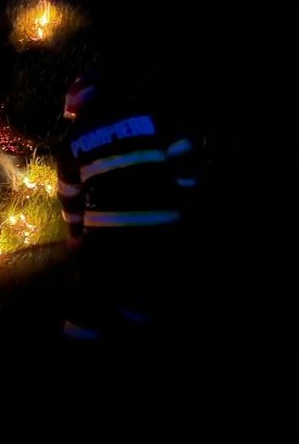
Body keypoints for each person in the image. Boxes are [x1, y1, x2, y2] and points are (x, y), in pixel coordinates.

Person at [55, 70, 199, 340]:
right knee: (142, 293)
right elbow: (185, 161)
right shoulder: (153, 116)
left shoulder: (72, 141)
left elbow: (69, 196)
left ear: (75, 107)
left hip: (104, 236)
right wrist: (181, 202)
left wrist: (75, 236)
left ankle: (73, 356)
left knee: (89, 301)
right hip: (161, 232)